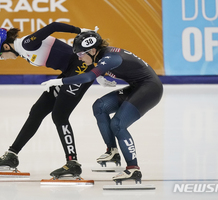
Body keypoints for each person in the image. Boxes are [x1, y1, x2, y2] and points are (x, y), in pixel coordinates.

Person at [0, 22, 107, 178]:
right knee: (37, 111)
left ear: (7, 47)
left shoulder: (26, 44)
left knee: (59, 116)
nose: (4, 59)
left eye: (1, 56)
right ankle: (11, 155)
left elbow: (53, 26)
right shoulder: (23, 50)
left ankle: (72, 164)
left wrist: (81, 30)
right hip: (69, 71)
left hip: (80, 68)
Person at [42, 30, 163, 183]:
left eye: (80, 54)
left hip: (150, 90)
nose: (79, 58)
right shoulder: (101, 55)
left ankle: (133, 169)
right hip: (137, 86)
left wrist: (59, 81)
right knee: (100, 106)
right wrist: (101, 76)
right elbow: (98, 69)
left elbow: (88, 76)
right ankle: (112, 151)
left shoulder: (110, 58)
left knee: (118, 124)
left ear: (92, 50)